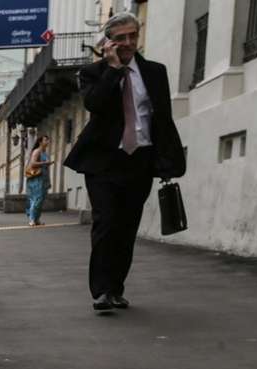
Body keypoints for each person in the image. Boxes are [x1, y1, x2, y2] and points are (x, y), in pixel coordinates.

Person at [63, 12, 185, 311]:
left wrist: (168, 161)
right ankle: (102, 291)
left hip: (139, 160)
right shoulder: (93, 73)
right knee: (105, 223)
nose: (128, 42)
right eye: (121, 38)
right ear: (109, 42)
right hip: (104, 162)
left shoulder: (155, 72)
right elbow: (95, 105)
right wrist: (114, 70)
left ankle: (116, 288)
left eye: (133, 35)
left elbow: (163, 119)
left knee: (127, 228)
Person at [25, 135, 51, 226]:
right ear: (40, 142)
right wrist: (45, 163)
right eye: (46, 140)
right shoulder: (37, 151)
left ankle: (37, 219)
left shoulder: (45, 153)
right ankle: (32, 219)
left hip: (43, 179)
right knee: (36, 199)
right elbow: (32, 163)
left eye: (48, 140)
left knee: (41, 200)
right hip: (36, 179)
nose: (48, 142)